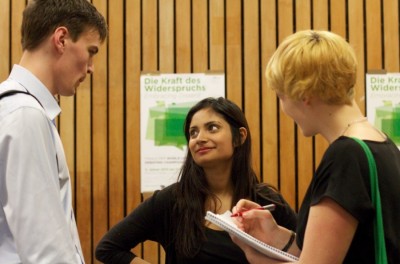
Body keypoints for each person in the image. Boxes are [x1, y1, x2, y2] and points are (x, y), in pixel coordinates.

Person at [230, 30, 400, 263]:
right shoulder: (384, 145)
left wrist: (252, 253)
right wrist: (274, 234)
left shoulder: (346, 157)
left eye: (281, 96)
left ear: (304, 93)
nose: (284, 108)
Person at [95, 97, 297, 264]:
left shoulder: (267, 202)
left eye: (212, 128)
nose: (199, 138)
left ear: (239, 137)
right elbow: (108, 248)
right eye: (193, 132)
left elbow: (309, 253)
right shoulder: (171, 200)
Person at [0, 0, 107, 263]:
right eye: (91, 51)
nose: (91, 67)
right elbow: (44, 250)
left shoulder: (11, 106)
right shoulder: (25, 115)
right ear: (61, 39)